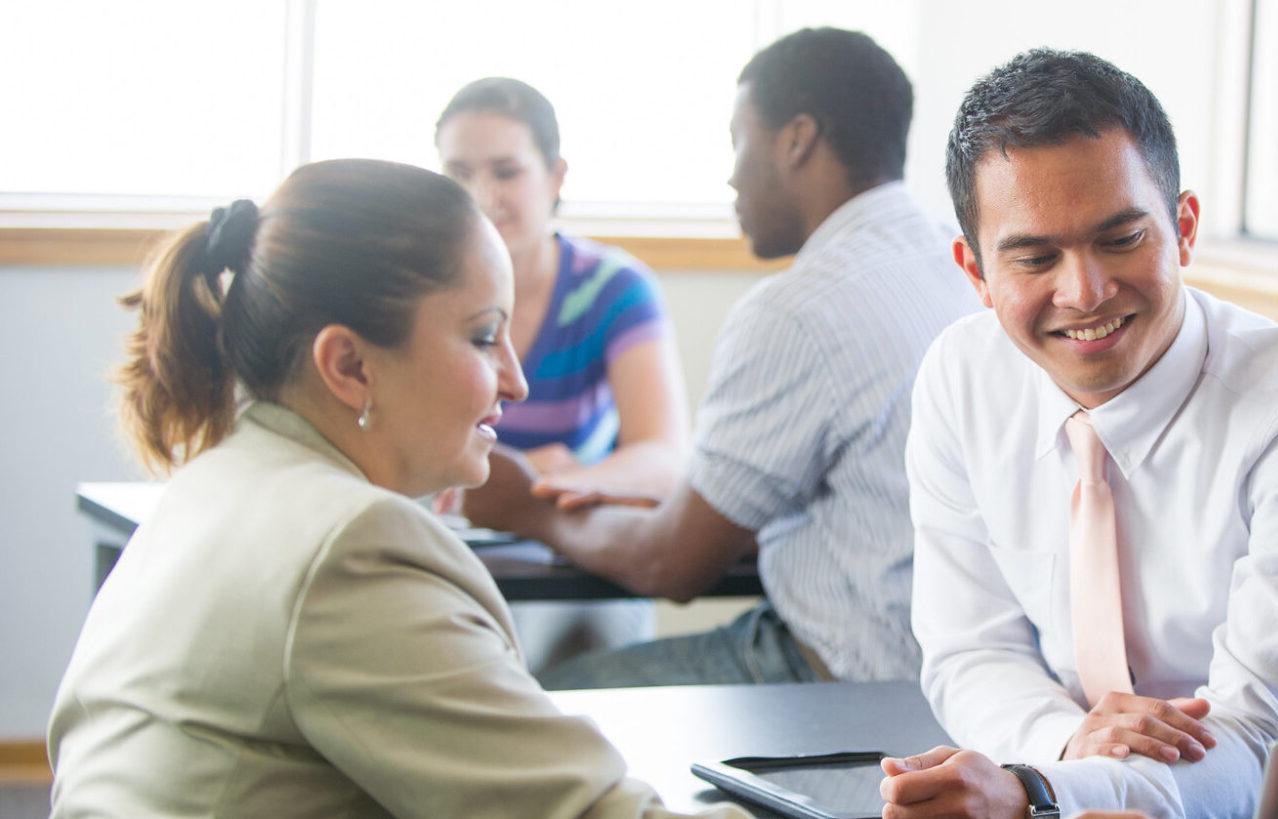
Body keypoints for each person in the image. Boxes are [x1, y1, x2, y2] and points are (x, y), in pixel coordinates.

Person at [47, 159, 733, 817]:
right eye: (484, 335)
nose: (515, 381)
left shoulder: (215, 480)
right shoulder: (352, 548)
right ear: (349, 364)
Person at [880, 50, 1278, 818]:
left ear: (1183, 227)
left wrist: (1035, 787)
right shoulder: (963, 377)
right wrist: (1066, 746)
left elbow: (1258, 742)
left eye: (1121, 239)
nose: (1085, 291)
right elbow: (969, 649)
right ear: (976, 273)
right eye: (1035, 257)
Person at [465, 28, 980, 687]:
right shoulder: (961, 262)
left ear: (796, 140)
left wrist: (519, 505)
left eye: (739, 141)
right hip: (955, 672)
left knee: (544, 705)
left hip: (847, 675)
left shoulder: (796, 310)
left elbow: (672, 565)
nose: (732, 173)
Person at [437, 77, 692, 670]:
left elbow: (663, 457)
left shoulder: (615, 289)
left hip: (570, 567)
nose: (481, 194)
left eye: (506, 172)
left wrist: (546, 478)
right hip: (452, 553)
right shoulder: (419, 296)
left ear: (555, 177)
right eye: (459, 173)